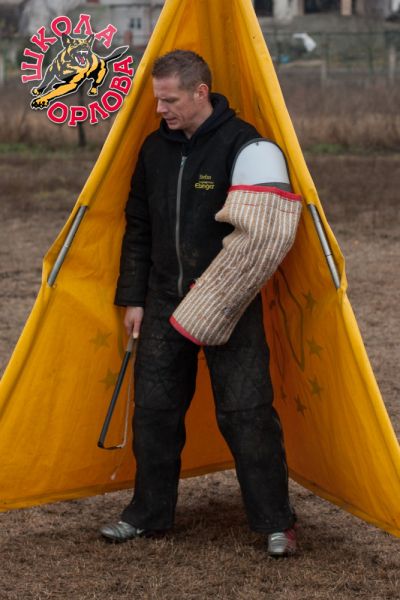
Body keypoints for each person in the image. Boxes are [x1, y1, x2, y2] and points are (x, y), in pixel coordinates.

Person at [100, 50, 296, 557]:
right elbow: (139, 227)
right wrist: (133, 298)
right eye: (157, 99)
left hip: (229, 300)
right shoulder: (153, 150)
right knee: (154, 412)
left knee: (247, 412)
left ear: (200, 92)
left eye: (169, 100)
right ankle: (147, 515)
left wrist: (219, 293)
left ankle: (276, 523)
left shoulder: (242, 144)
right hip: (163, 300)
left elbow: (265, 232)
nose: (160, 109)